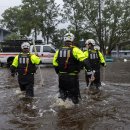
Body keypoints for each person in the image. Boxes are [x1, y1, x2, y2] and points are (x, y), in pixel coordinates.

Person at [53, 32, 94, 104]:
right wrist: (90, 73)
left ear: (64, 40)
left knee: (62, 97)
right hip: (72, 78)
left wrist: (58, 72)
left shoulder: (58, 51)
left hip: (61, 78)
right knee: (75, 99)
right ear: (72, 40)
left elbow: (55, 63)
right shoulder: (76, 50)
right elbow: (84, 61)